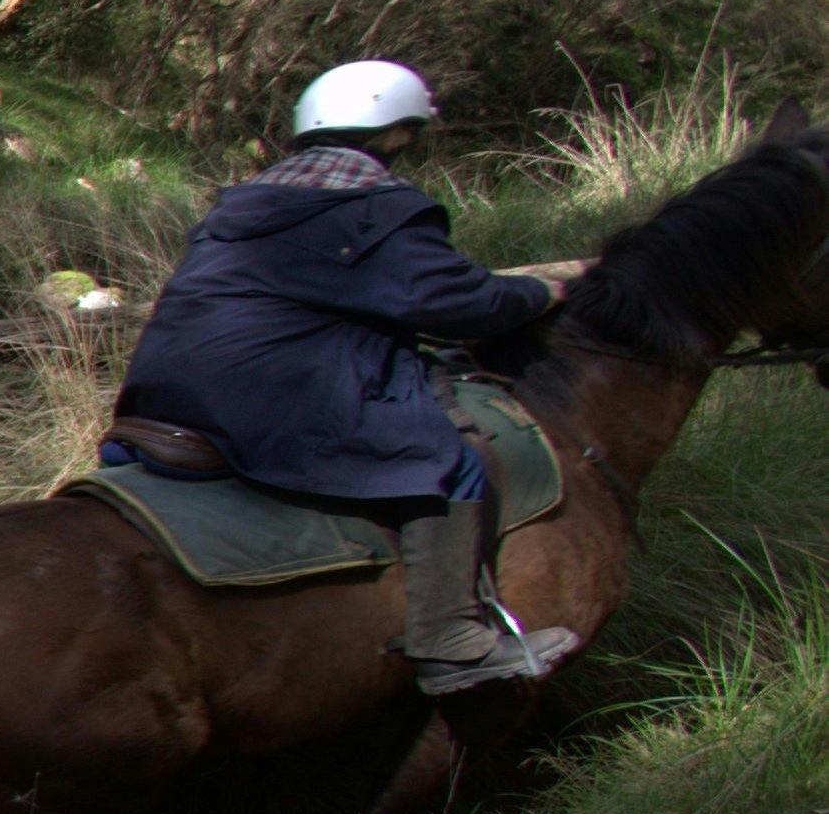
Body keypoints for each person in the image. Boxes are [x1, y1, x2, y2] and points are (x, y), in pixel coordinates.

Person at [109, 58, 572, 694]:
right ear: (396, 131)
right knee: (450, 464)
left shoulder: (242, 204)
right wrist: (539, 293)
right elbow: (464, 306)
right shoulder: (378, 209)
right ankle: (449, 639)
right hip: (265, 405)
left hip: (159, 393)